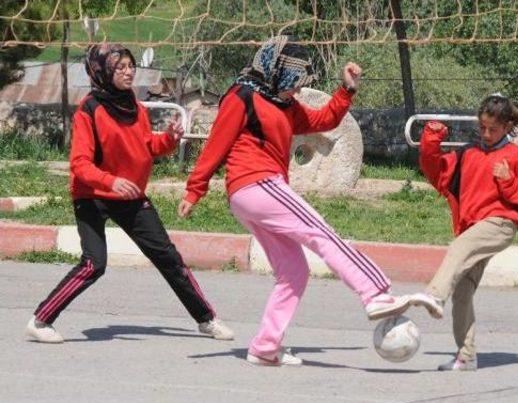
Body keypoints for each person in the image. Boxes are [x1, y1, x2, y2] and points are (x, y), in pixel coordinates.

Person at [178, 35, 417, 366]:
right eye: (294, 83)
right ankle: (375, 293)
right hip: (256, 183)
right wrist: (195, 189)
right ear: (276, 71)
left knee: (294, 271)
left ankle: (265, 346)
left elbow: (324, 121)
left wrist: (346, 89)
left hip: (256, 193)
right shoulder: (242, 95)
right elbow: (217, 143)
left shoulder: (283, 104)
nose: (296, 91)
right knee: (322, 232)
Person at [26, 43, 233, 343]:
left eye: (130, 66)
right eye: (120, 67)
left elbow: (146, 146)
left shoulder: (132, 104)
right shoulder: (89, 110)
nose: (128, 72)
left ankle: (207, 319)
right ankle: (41, 320)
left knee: (168, 257)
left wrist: (170, 140)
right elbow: (79, 164)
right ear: (103, 72)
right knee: (94, 264)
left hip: (131, 196)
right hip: (92, 195)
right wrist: (110, 181)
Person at [412, 94, 518, 371]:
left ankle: (435, 294)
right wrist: (431, 140)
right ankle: (466, 356)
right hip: (473, 228)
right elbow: (435, 171)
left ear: (506, 126)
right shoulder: (468, 153)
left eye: (493, 129)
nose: (486, 133)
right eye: (482, 127)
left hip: (501, 224)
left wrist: (508, 181)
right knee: (462, 291)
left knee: (459, 248)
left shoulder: (516, 156)